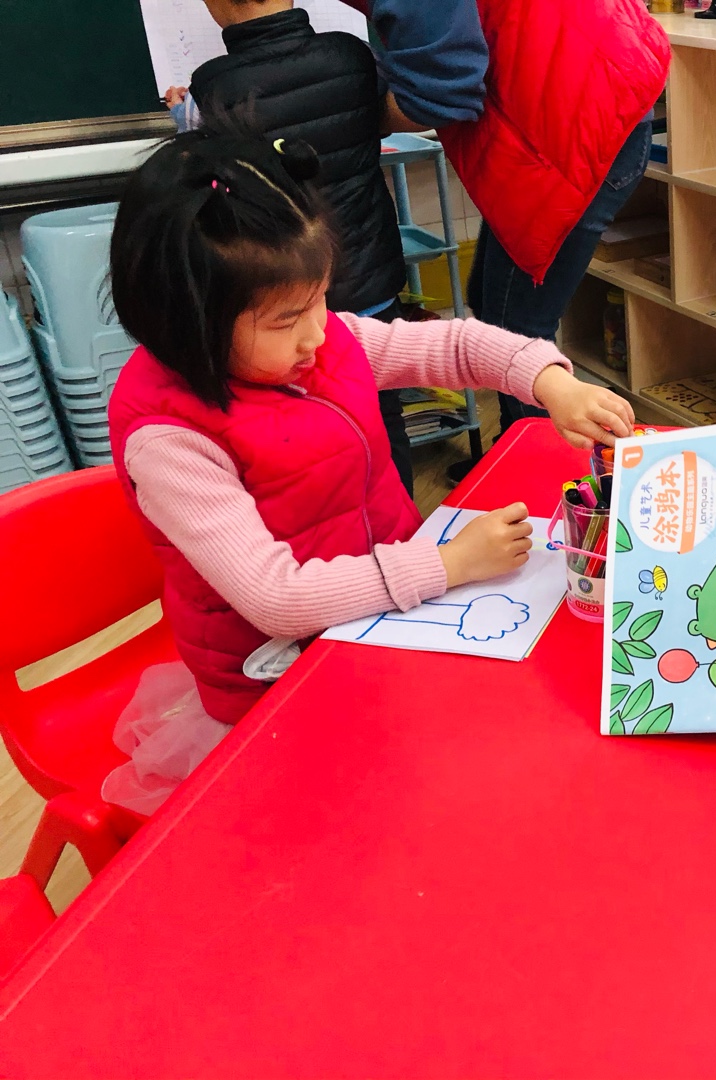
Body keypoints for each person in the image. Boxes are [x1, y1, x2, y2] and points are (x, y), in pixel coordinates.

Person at [103, 129, 633, 811]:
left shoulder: (322, 344)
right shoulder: (171, 439)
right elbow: (277, 599)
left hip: (384, 617)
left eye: (321, 298)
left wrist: (548, 380)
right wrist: (448, 565)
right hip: (281, 679)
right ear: (188, 322)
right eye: (287, 319)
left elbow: (453, 345)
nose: (318, 332)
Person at [342, 0, 669, 473]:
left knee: (518, 327)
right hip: (584, 90)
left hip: (578, 117)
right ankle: (517, 454)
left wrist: (339, 113)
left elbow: (444, 91)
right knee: (492, 302)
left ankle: (540, 478)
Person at [168, 0, 417, 494]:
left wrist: (183, 116)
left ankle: (331, 521)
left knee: (300, 418)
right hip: (368, 275)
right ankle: (403, 520)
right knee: (382, 409)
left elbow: (205, 168)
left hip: (287, 295)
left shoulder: (212, 86)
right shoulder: (351, 56)